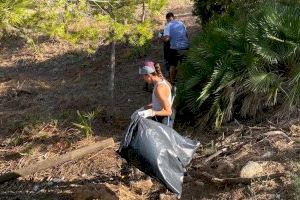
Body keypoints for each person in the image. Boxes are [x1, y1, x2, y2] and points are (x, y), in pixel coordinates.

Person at [135, 61, 173, 125]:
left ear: (149, 75)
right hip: (158, 118)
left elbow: (169, 112)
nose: (143, 79)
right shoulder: (161, 81)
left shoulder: (159, 88)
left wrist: (152, 112)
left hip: (161, 122)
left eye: (143, 76)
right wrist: (144, 108)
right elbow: (159, 103)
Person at [161, 12, 189, 85]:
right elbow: (186, 35)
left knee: (173, 64)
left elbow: (167, 39)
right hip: (185, 46)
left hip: (175, 48)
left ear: (167, 19)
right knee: (184, 64)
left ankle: (172, 81)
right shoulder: (181, 23)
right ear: (174, 17)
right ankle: (186, 81)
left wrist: (162, 37)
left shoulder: (168, 25)